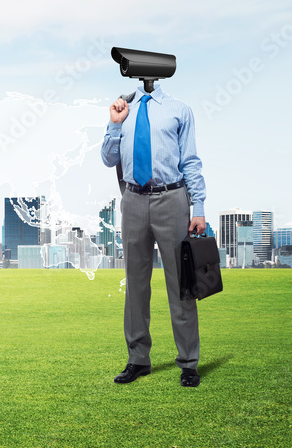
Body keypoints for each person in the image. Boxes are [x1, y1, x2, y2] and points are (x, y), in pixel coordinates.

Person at [101, 83, 207, 388]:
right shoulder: (123, 110)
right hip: (133, 200)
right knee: (136, 285)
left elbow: (190, 161)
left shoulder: (179, 110)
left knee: (181, 284)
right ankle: (138, 360)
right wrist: (113, 124)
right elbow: (108, 159)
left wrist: (197, 207)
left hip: (171, 199)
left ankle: (188, 363)